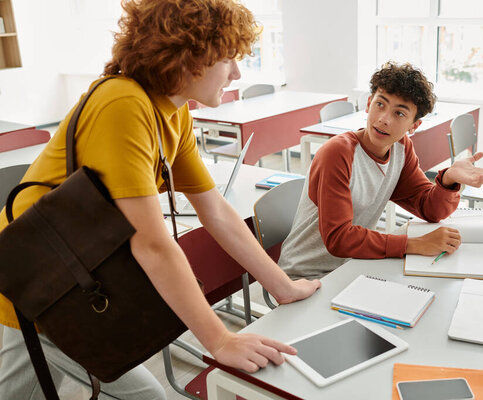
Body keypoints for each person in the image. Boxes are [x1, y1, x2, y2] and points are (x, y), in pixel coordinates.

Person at [0, 0, 320, 398]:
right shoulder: (123, 103)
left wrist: (282, 286)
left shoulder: (173, 111)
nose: (237, 72)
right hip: (32, 287)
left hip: (73, 281)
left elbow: (215, 211)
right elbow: (151, 243)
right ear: (187, 57)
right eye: (227, 59)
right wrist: (219, 341)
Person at [279, 62, 483, 280]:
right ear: (368, 103)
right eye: (380, 104)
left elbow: (428, 208)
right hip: (304, 276)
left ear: (414, 126)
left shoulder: (401, 148)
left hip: (351, 266)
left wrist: (448, 179)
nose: (384, 119)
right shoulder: (338, 153)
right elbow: (339, 238)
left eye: (400, 114)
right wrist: (415, 244)